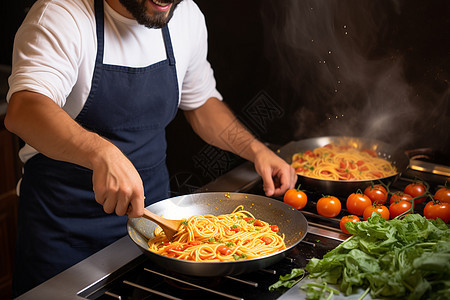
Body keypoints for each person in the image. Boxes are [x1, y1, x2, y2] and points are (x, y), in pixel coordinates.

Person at [5, 0, 297, 296]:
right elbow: (25, 108)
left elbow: (201, 103)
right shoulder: (60, 14)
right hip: (64, 234)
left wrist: (256, 149)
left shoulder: (185, 16)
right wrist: (101, 152)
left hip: (156, 230)